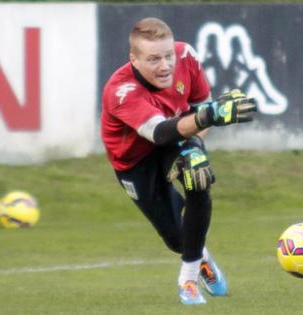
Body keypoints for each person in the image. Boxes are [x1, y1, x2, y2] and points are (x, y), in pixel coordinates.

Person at [100, 17, 257, 305]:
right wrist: (207, 116)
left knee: (198, 175)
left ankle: (188, 280)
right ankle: (203, 260)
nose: (165, 66)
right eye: (153, 59)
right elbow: (159, 133)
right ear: (133, 60)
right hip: (135, 160)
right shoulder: (120, 92)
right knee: (176, 238)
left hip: (177, 135)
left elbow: (200, 111)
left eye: (168, 55)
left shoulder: (187, 55)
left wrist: (194, 147)